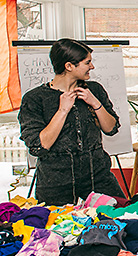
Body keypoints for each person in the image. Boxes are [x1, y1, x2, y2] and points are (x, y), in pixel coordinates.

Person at [18, 38, 125, 206]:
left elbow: (111, 128)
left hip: (98, 177)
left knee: (123, 217)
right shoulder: (35, 99)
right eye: (87, 62)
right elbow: (40, 146)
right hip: (56, 184)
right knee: (59, 229)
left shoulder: (94, 89)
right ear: (69, 66)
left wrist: (95, 103)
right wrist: (63, 110)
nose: (92, 66)